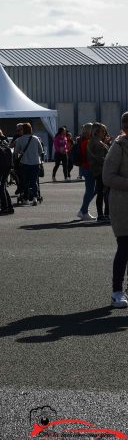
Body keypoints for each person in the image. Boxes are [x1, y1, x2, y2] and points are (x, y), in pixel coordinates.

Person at [103, 112, 128, 308]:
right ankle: (117, 291)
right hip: (122, 204)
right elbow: (108, 177)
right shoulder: (118, 147)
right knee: (125, 247)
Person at [13, 122, 44, 206]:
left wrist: (20, 154)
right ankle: (35, 198)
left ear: (23, 130)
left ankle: (26, 199)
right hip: (35, 163)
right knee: (34, 181)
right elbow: (41, 151)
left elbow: (16, 152)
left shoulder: (20, 139)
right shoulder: (35, 138)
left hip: (25, 163)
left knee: (25, 181)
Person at [89, 123, 111, 224]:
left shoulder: (96, 141)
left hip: (99, 170)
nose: (104, 133)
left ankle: (103, 214)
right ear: (96, 132)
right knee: (103, 193)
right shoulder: (97, 142)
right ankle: (103, 215)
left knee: (102, 193)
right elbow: (99, 158)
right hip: (101, 170)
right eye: (103, 131)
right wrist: (109, 162)